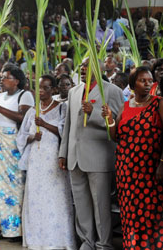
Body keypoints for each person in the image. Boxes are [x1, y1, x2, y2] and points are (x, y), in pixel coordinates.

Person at [58, 57, 124, 250]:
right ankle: (87, 241)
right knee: (81, 203)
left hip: (99, 156)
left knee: (101, 204)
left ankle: (104, 243)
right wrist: (63, 152)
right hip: (75, 156)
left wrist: (94, 113)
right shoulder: (74, 91)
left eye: (87, 65)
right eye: (82, 66)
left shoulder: (112, 91)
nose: (83, 68)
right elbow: (69, 125)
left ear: (99, 68)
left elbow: (118, 125)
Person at [102, 66, 163, 250]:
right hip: (126, 171)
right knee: (130, 213)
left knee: (150, 212)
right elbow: (115, 136)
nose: (147, 84)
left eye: (150, 80)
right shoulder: (126, 105)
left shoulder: (158, 103)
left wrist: (162, 163)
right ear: (132, 84)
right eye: (142, 80)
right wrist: (110, 119)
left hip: (150, 170)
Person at [17, 74, 76, 249]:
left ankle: (58, 239)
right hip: (36, 159)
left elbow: (65, 132)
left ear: (54, 90)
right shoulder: (32, 110)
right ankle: (37, 238)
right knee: (36, 197)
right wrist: (32, 136)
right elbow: (21, 136)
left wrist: (44, 124)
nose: (41, 91)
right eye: (39, 88)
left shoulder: (61, 108)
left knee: (56, 197)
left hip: (53, 158)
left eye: (45, 88)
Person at [0, 63, 34, 239]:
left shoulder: (24, 95)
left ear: (17, 81)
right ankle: (0, 227)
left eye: (7, 77)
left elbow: (23, 118)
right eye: (2, 77)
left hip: (11, 148)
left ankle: (15, 230)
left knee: (13, 187)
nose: (2, 80)